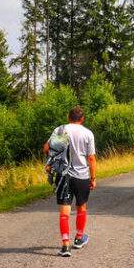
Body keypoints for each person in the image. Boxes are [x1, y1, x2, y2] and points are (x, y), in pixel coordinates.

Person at [43, 106, 96, 256]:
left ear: (68, 117)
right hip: (82, 176)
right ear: (82, 118)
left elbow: (46, 147)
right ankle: (79, 238)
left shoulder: (60, 130)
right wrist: (93, 178)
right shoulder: (87, 133)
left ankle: (65, 245)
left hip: (63, 176)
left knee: (64, 212)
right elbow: (91, 158)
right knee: (81, 207)